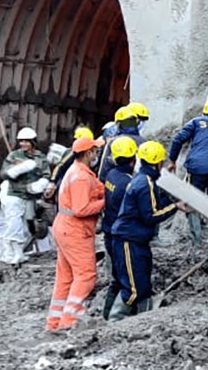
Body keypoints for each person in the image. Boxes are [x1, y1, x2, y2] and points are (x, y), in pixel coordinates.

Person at [109, 141, 181, 322]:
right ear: (157, 162)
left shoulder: (146, 180)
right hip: (128, 240)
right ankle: (114, 323)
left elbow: (155, 204)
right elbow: (152, 214)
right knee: (133, 289)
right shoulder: (144, 184)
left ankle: (144, 319)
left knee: (142, 284)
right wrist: (176, 206)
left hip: (135, 239)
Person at [45, 135, 105, 332]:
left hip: (65, 228)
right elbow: (81, 208)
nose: (97, 153)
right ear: (88, 153)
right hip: (75, 230)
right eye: (95, 151)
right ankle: (70, 321)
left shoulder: (76, 171)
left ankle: (54, 322)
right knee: (86, 274)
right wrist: (105, 202)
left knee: (65, 277)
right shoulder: (81, 177)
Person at [167, 98, 208, 246]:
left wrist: (172, 160)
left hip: (197, 168)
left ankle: (197, 241)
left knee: (193, 201)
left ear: (205, 111)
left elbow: (178, 140)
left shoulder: (197, 122)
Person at [0, 127, 48, 266]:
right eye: (21, 141)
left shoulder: (40, 157)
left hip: (30, 196)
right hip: (15, 194)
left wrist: (42, 183)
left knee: (28, 226)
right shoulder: (14, 156)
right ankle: (13, 253)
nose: (23, 144)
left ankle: (21, 252)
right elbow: (4, 174)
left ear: (33, 142)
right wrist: (16, 170)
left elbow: (46, 174)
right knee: (14, 224)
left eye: (26, 141)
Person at [100, 136, 138, 319]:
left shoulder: (112, 175)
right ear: (133, 158)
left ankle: (106, 314)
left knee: (116, 278)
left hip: (109, 232)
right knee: (126, 280)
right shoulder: (127, 183)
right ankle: (117, 317)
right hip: (120, 237)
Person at [44, 125, 95, 201]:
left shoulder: (88, 154)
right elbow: (60, 166)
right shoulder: (71, 152)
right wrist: (52, 182)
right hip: (65, 185)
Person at [98, 106, 144, 180]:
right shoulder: (143, 143)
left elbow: (104, 168)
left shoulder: (113, 142)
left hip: (113, 183)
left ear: (119, 124)